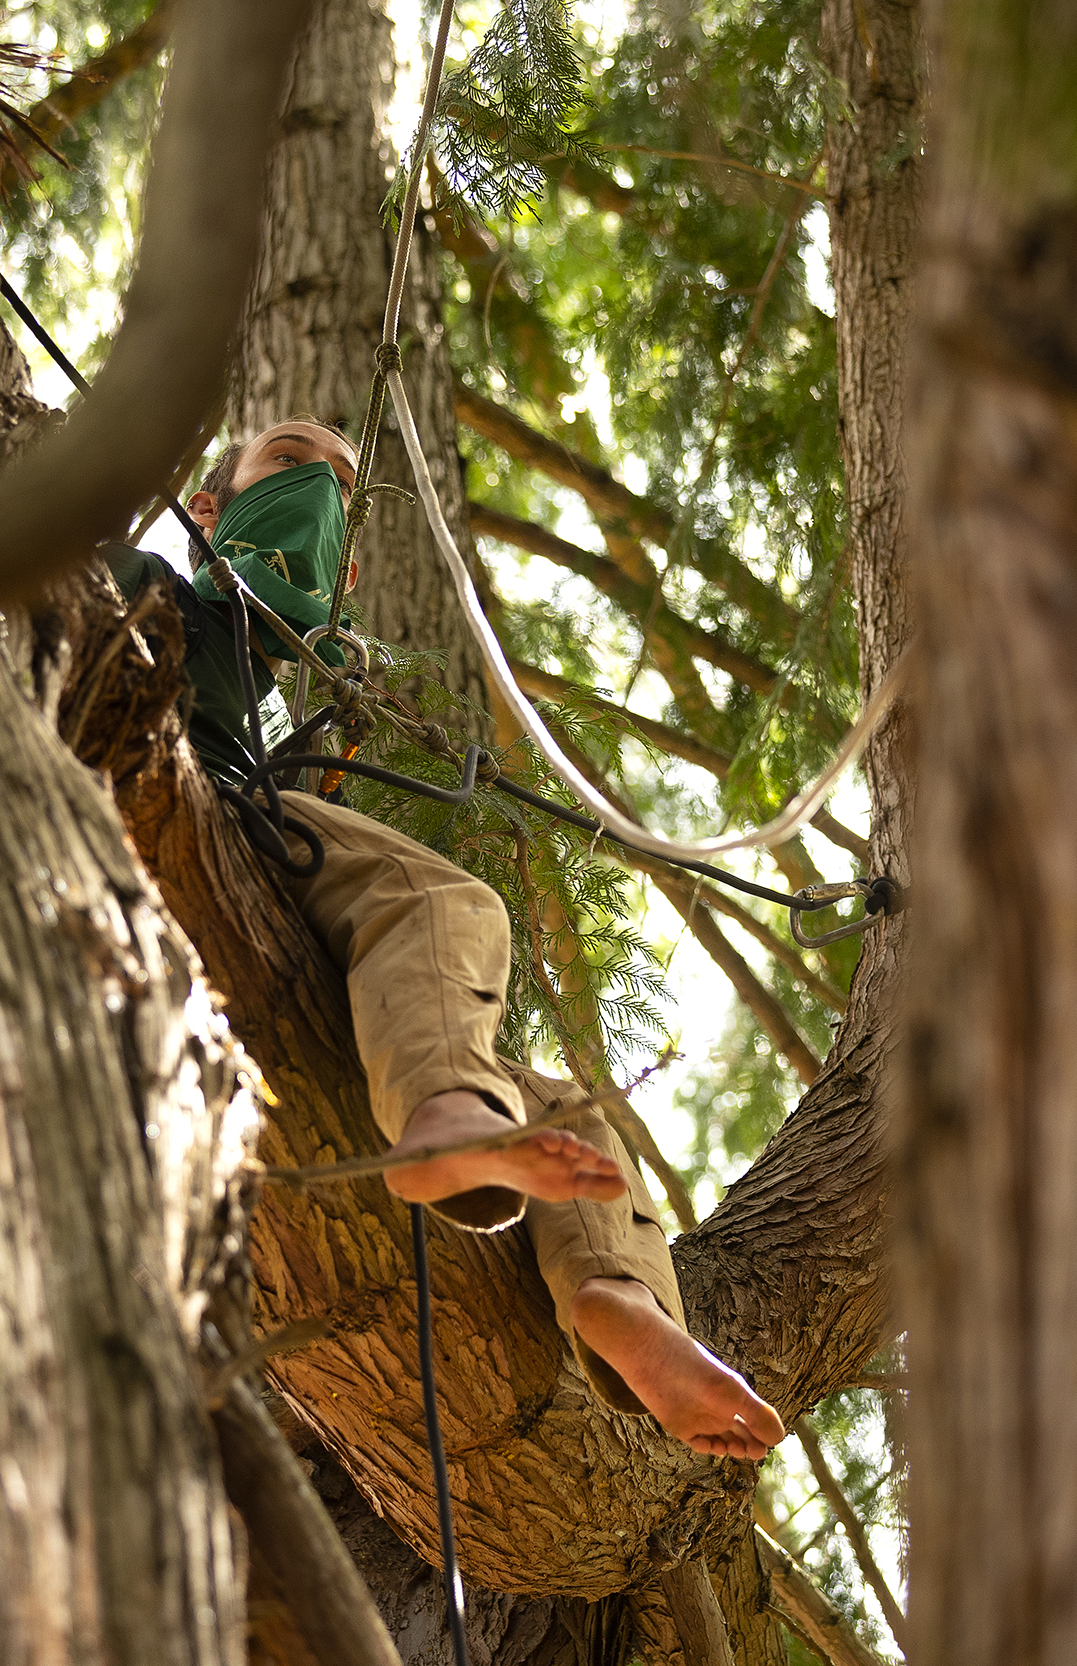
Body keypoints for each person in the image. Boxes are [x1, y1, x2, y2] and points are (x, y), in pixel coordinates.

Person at [105, 418, 786, 1460]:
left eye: (342, 481)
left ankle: (617, 1302)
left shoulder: (292, 692)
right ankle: (441, 1117)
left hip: (249, 833)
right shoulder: (147, 581)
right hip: (184, 800)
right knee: (447, 904)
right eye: (292, 464)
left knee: (558, 1103)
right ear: (209, 508)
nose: (322, 492)